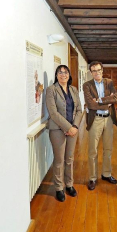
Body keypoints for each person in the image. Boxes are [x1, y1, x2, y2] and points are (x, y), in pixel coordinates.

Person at [45, 65, 82, 202]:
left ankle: (69, 185)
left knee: (69, 159)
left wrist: (75, 126)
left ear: (69, 74)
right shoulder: (51, 90)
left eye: (65, 72)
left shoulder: (73, 89)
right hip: (57, 130)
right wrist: (68, 127)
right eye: (60, 72)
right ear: (56, 75)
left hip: (73, 129)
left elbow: (79, 109)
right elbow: (53, 113)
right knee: (59, 160)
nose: (63, 75)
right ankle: (59, 188)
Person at [83, 61, 117, 190]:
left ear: (102, 71)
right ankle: (92, 178)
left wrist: (100, 100)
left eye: (98, 70)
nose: (97, 73)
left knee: (108, 149)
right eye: (94, 71)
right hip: (95, 120)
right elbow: (90, 104)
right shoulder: (86, 85)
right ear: (91, 73)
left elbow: (116, 97)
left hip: (108, 119)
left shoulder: (109, 82)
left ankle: (106, 174)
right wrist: (107, 102)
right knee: (93, 150)